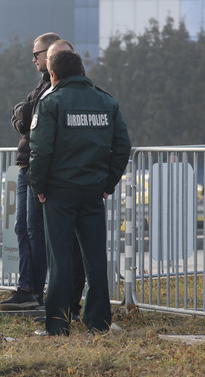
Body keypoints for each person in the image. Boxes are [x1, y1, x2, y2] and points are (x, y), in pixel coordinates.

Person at [29, 49, 131, 336]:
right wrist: (107, 183)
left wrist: (39, 187)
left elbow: (41, 150)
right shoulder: (107, 102)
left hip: (59, 193)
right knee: (95, 258)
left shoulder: (51, 102)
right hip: (92, 191)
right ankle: (98, 322)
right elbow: (122, 147)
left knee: (60, 260)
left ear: (53, 74)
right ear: (83, 71)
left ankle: (58, 325)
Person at [3, 32, 63, 311]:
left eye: (36, 54)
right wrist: (21, 112)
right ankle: (27, 287)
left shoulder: (53, 87)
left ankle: (32, 289)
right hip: (26, 164)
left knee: (34, 231)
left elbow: (26, 116)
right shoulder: (41, 85)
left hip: (37, 167)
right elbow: (23, 114)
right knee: (23, 229)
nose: (33, 59)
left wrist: (21, 112)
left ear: (50, 55)